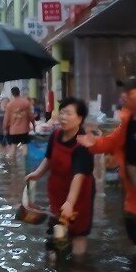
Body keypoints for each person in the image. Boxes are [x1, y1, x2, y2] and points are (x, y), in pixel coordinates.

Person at [79, 76, 136, 262]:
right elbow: (113, 141)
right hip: (132, 180)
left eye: (129, 92)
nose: (124, 96)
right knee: (132, 225)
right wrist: (94, 144)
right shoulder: (128, 120)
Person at [27, 98, 96, 256]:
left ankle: (78, 268)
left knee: (78, 232)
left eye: (68, 113)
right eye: (62, 112)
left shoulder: (83, 143)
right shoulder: (56, 134)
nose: (63, 117)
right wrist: (37, 173)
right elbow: (49, 158)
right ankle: (59, 267)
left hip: (79, 195)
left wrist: (70, 202)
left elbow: (79, 175)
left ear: (79, 118)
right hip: (58, 191)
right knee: (57, 226)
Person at [3, 86, 34, 154]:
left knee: (13, 146)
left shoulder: (9, 105)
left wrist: (4, 128)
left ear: (12, 94)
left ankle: (12, 163)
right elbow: (30, 116)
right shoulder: (26, 103)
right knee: (24, 145)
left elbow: (6, 119)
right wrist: (34, 125)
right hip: (24, 129)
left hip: (13, 130)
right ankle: (24, 163)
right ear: (19, 92)